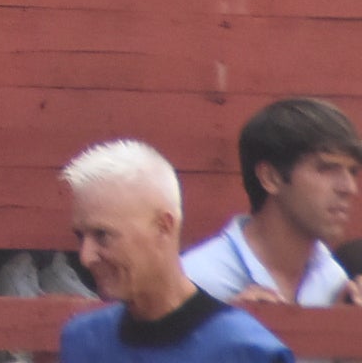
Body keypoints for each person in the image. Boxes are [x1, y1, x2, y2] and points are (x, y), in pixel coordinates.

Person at [56, 143, 290, 363]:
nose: (86, 257)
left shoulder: (247, 352)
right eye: (80, 237)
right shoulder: (83, 341)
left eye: (103, 235)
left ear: (163, 227)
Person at [182, 99, 362, 306]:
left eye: (353, 172)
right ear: (270, 178)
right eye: (327, 169)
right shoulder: (198, 281)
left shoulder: (335, 283)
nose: (349, 188)